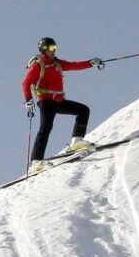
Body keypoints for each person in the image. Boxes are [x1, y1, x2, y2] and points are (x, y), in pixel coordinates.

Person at [21, 37, 104, 174]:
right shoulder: (38, 65)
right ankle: (36, 162)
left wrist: (91, 63)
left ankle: (77, 141)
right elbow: (26, 83)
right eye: (51, 48)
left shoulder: (56, 63)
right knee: (45, 127)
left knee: (83, 110)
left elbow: (74, 65)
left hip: (58, 100)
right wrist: (28, 100)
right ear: (44, 50)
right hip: (46, 101)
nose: (54, 51)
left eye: (55, 48)